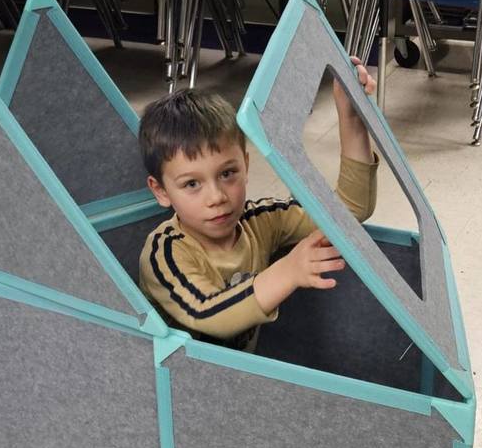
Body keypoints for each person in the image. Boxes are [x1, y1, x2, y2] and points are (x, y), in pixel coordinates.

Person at [138, 67, 378, 352]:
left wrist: (351, 117)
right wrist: (288, 271)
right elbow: (207, 312)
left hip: (243, 381)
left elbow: (348, 213)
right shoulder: (165, 252)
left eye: (227, 174)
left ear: (246, 166)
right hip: (175, 389)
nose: (216, 197)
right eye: (192, 184)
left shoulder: (262, 221)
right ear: (161, 191)